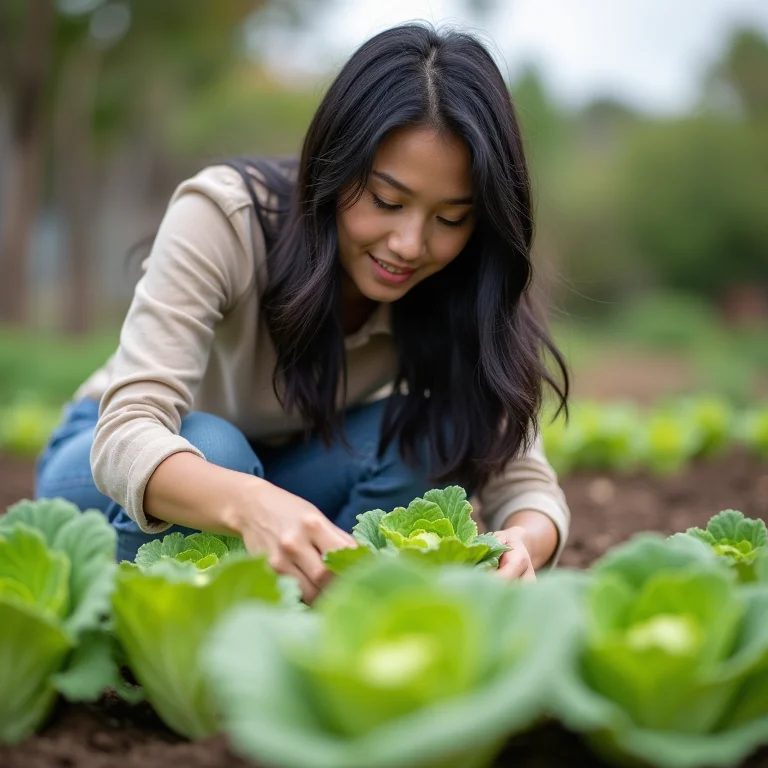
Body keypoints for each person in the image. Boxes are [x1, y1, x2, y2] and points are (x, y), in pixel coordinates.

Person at [35, 22, 570, 603]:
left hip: (280, 472)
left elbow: (527, 485)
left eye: (450, 219)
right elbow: (125, 437)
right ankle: (155, 621)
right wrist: (249, 503)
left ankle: (331, 615)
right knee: (217, 451)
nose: (411, 244)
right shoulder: (226, 215)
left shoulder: (463, 282)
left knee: (432, 435)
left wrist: (522, 541)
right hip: (115, 467)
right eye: (387, 201)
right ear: (335, 168)